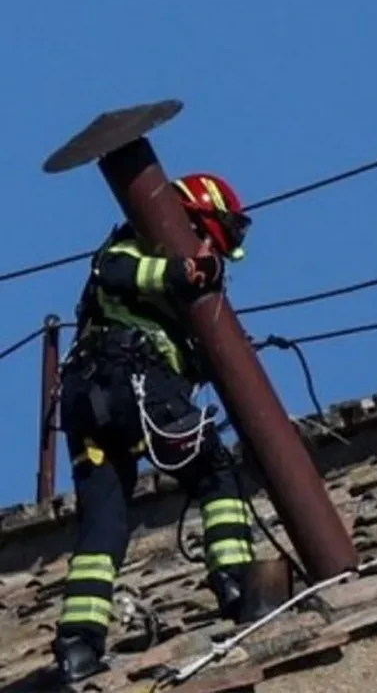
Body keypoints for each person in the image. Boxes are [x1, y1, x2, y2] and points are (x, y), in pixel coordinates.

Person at [52, 173, 256, 683]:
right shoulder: (134, 247)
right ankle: (237, 582)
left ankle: (79, 643)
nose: (212, 251)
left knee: (104, 524)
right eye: (213, 237)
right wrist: (183, 271)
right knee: (215, 472)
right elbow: (118, 271)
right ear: (197, 219)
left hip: (85, 400)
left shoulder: (165, 279)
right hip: (133, 381)